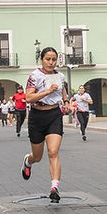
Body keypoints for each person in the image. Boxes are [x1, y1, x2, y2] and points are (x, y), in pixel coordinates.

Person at [21, 47, 70, 202]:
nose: (51, 62)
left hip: (54, 115)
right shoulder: (34, 76)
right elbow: (29, 98)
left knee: (53, 152)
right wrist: (47, 91)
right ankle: (28, 162)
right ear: (42, 59)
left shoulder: (60, 76)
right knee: (37, 156)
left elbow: (63, 92)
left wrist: (67, 102)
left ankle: (54, 187)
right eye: (48, 59)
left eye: (54, 59)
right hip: (37, 116)